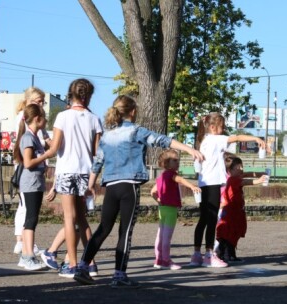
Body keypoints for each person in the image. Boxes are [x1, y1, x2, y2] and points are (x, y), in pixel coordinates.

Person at [72, 95, 203, 288]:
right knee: (125, 231)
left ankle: (82, 267)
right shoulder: (136, 131)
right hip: (129, 186)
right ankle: (119, 274)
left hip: (111, 187)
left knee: (103, 228)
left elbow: (97, 162)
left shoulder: (107, 136)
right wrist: (189, 149)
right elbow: (162, 141)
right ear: (133, 111)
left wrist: (90, 186)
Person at [42, 78, 102, 278]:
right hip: (86, 172)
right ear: (89, 95)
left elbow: (55, 148)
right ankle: (90, 263)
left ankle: (73, 265)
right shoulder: (94, 119)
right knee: (83, 219)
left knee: (69, 218)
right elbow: (97, 152)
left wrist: (39, 155)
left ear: (71, 94)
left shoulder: (62, 116)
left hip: (67, 171)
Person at [189, 112, 266, 268]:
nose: (223, 130)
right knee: (211, 221)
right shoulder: (216, 139)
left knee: (203, 220)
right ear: (212, 127)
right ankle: (209, 255)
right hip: (212, 184)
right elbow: (236, 138)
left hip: (203, 183)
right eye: (222, 127)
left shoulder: (204, 141)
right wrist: (256, 139)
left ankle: (196, 254)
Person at [12, 104, 52, 270]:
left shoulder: (33, 137)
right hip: (30, 184)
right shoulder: (28, 138)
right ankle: (28, 256)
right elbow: (28, 163)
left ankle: (26, 256)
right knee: (31, 219)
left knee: (31, 218)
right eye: (44, 117)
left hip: (34, 183)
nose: (46, 120)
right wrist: (46, 155)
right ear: (37, 119)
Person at [151, 149, 201, 271]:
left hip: (162, 208)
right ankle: (166, 260)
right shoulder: (173, 174)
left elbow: (152, 192)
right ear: (167, 163)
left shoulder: (161, 176)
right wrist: (192, 186)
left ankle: (158, 259)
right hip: (171, 209)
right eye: (175, 160)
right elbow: (181, 180)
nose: (178, 162)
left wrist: (159, 200)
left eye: (178, 160)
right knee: (167, 236)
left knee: (161, 235)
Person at [214, 154, 267, 263]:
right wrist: (258, 181)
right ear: (230, 170)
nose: (241, 169)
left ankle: (224, 253)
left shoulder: (235, 177)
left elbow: (246, 175)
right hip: (232, 211)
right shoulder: (233, 179)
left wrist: (259, 174)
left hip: (236, 211)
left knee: (233, 232)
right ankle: (227, 254)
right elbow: (246, 181)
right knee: (231, 233)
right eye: (239, 167)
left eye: (242, 166)